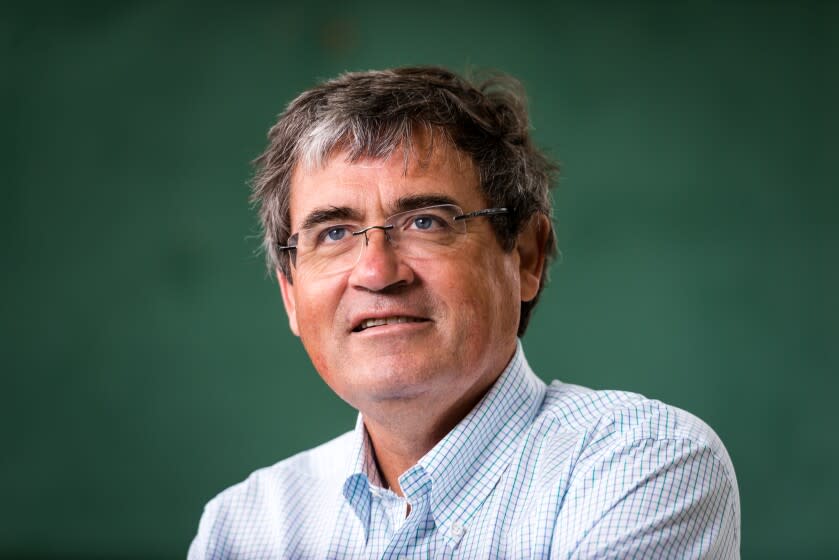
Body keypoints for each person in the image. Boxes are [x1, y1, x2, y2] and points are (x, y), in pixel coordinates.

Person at [188, 66, 740, 559]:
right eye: (334, 233)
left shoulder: (644, 464)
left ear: (526, 257)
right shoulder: (247, 524)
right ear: (290, 291)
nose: (378, 272)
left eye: (426, 221)